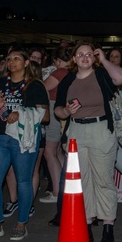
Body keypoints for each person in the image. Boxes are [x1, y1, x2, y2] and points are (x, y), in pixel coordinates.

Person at [53, 43, 122, 242]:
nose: (85, 57)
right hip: (76, 131)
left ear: (93, 57)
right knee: (82, 181)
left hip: (101, 129)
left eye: (88, 54)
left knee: (103, 180)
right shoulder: (68, 80)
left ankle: (108, 226)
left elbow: (121, 78)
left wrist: (103, 59)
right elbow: (58, 110)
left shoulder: (102, 75)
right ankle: (85, 224)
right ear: (74, 59)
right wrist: (67, 111)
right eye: (80, 54)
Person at [0, 49, 49, 242]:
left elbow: (46, 116)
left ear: (27, 63)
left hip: (23, 139)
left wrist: (21, 112)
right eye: (9, 59)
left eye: (17, 58)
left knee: (23, 181)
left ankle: (21, 224)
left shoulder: (35, 86)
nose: (12, 62)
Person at [39, 46, 73, 210]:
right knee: (58, 151)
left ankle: (57, 191)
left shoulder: (59, 72)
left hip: (54, 110)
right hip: (62, 112)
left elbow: (42, 88)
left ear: (58, 61)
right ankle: (62, 188)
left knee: (49, 151)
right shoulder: (72, 72)